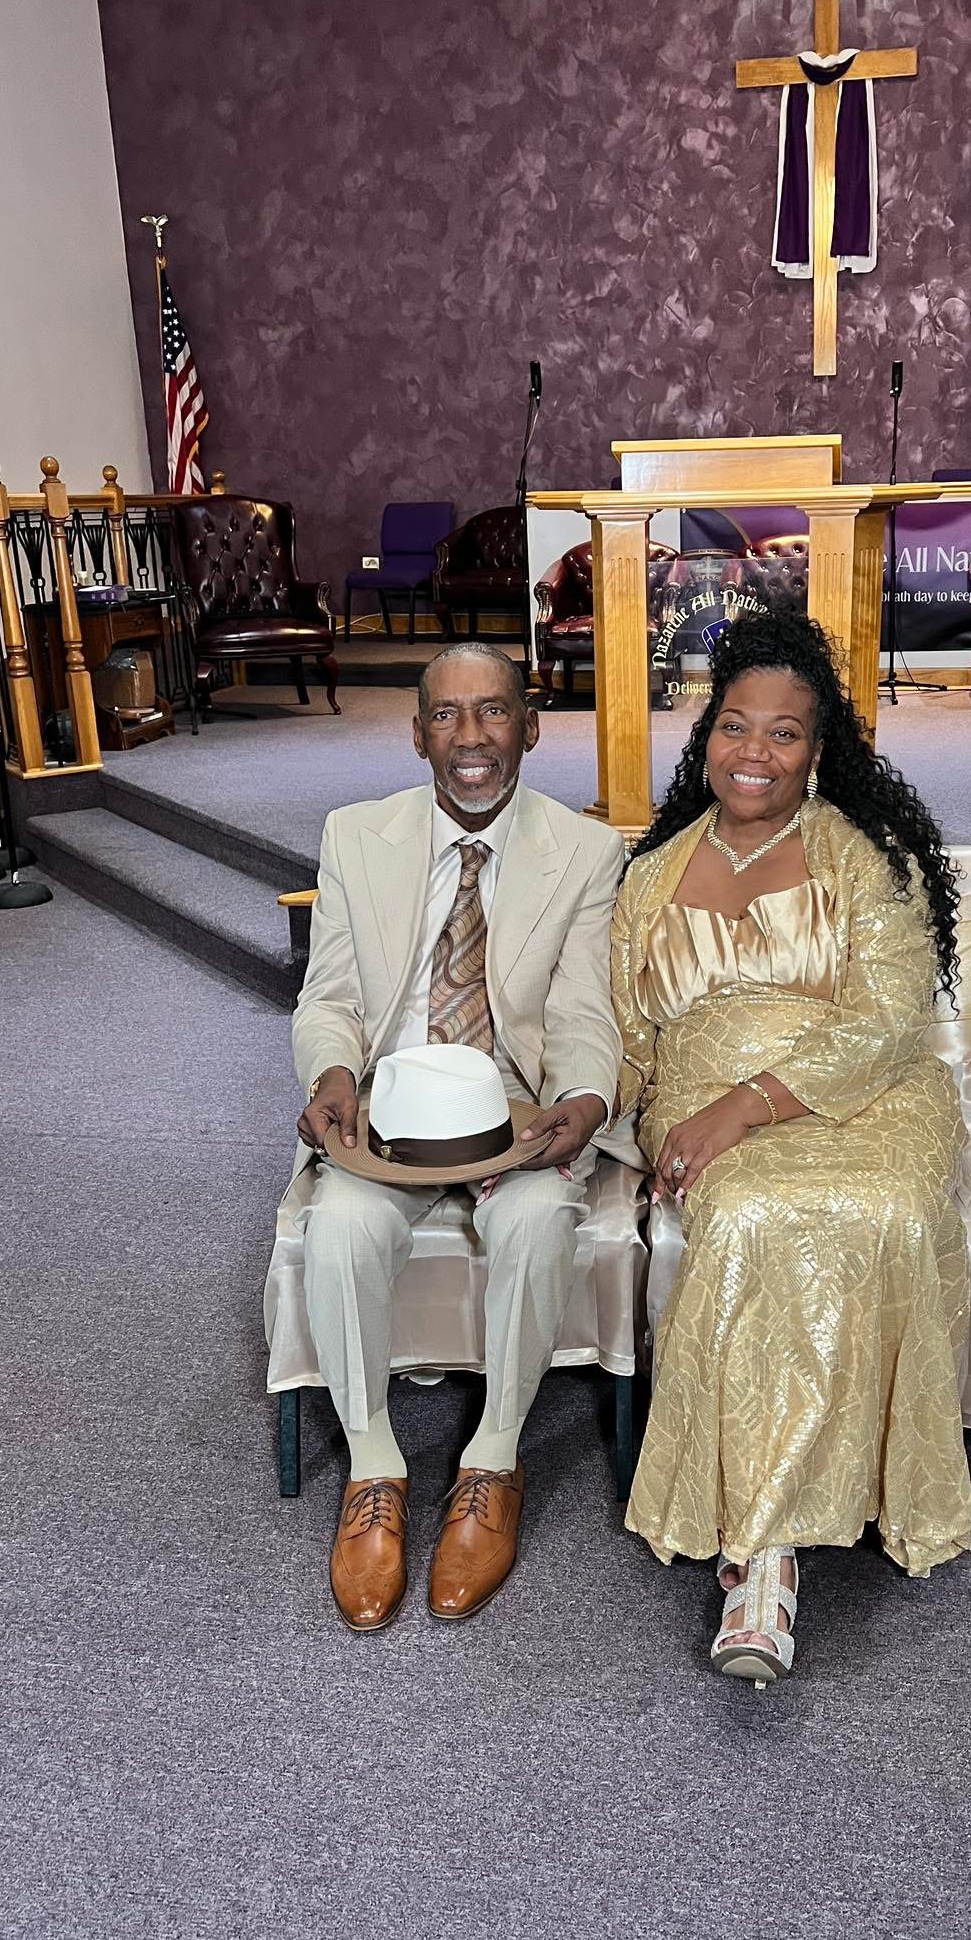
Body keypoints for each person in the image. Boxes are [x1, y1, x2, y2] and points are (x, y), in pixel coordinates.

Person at [611, 611, 971, 1686]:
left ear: (819, 751)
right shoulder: (652, 875)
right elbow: (628, 1036)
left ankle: (798, 1528)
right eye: (735, 725)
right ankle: (762, 1558)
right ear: (706, 735)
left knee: (890, 1211)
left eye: (784, 733)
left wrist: (750, 1105)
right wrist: (591, 1118)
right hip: (698, 1097)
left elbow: (891, 1020)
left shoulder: (866, 860)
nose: (755, 753)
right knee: (745, 1214)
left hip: (865, 1095)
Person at [284, 641, 623, 1631]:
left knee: (537, 1219)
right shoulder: (356, 836)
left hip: (514, 1106)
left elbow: (583, 1011)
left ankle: (494, 1459)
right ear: (418, 732)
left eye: (493, 712)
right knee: (341, 1226)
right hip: (388, 1106)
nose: (471, 737)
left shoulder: (586, 852)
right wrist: (332, 1073)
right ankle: (374, 1466)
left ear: (531, 725)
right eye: (447, 715)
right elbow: (329, 997)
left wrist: (585, 1100)